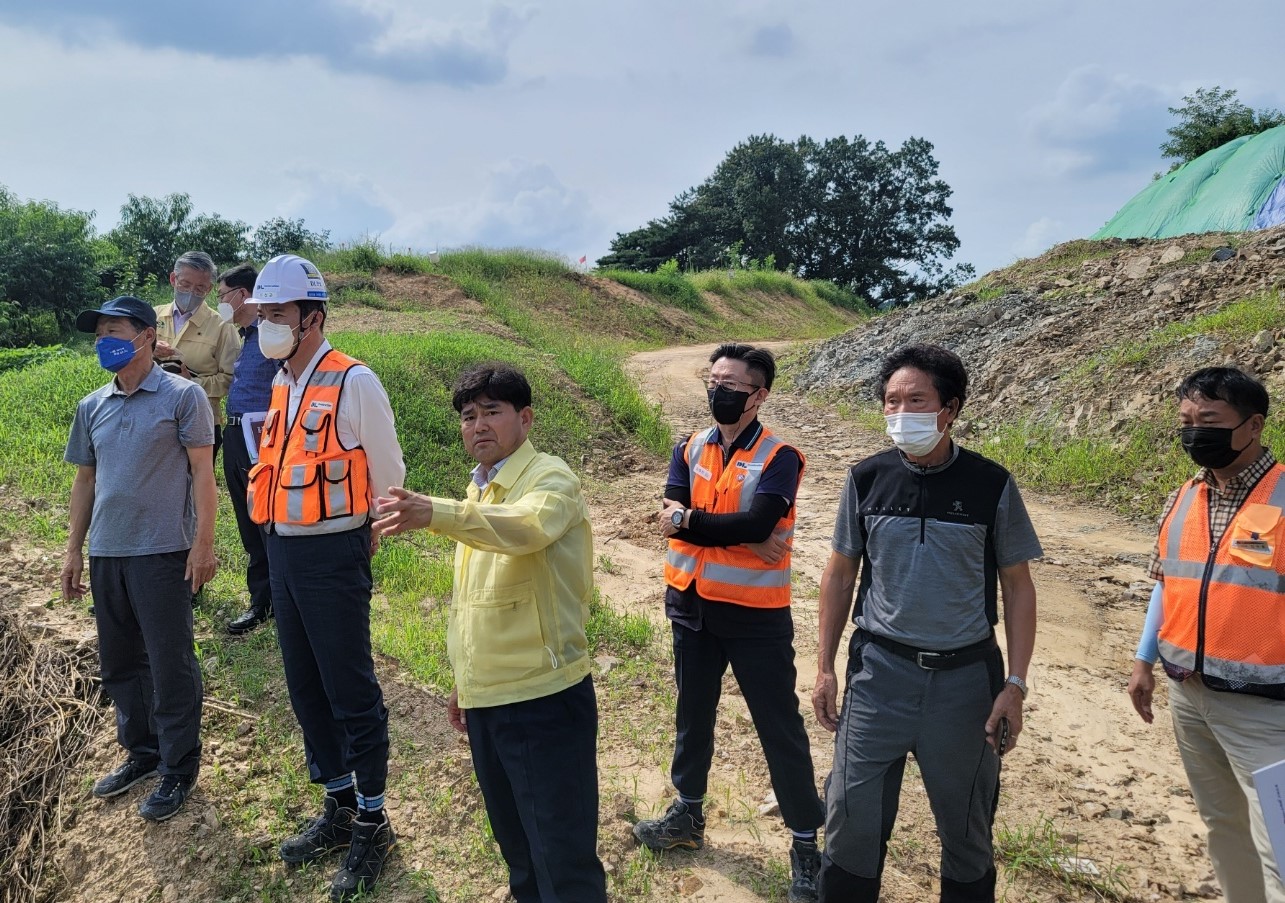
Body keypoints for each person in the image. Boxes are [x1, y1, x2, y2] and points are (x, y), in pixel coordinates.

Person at [372, 362, 608, 903]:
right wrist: (465, 680)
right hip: (488, 697)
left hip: (543, 697)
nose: (478, 425)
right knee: (518, 850)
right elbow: (475, 602)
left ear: (524, 419)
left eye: (492, 412)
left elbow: (526, 528)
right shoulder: (478, 493)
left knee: (562, 856)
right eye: (468, 416)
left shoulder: (550, 478)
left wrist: (436, 512)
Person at [813, 343, 1040, 903]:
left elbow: (1017, 586)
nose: (900, 412)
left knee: (965, 829)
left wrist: (1015, 683)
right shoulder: (865, 479)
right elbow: (840, 575)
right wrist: (822, 667)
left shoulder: (991, 485)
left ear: (950, 409)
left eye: (916, 400)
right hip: (878, 676)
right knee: (850, 819)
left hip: (965, 684)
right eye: (891, 401)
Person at [635, 342, 824, 903]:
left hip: (754, 615)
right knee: (692, 713)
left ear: (759, 394)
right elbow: (674, 517)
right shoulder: (689, 447)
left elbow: (761, 519)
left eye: (733, 384)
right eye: (713, 380)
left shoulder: (779, 456)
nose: (719, 390)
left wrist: (696, 521)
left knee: (778, 727)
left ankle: (806, 844)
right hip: (690, 604)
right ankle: (687, 814)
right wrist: (727, 529)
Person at [245, 254, 405, 902]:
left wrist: (361, 540)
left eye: (277, 315)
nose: (266, 326)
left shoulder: (353, 380)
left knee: (350, 687)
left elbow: (388, 471)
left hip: (333, 554)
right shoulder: (283, 381)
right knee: (305, 684)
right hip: (283, 551)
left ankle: (373, 817)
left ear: (312, 317)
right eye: (262, 316)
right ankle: (338, 802)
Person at [1127, 366, 1285, 903]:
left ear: (1253, 425)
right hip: (1189, 697)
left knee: (1280, 846)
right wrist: (1143, 660)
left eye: (1210, 420)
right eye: (1186, 421)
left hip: (1267, 711)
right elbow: (1169, 585)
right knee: (1223, 827)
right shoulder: (1185, 496)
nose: (1195, 433)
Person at [60, 295, 215, 822]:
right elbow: (85, 480)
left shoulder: (182, 397)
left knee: (169, 663)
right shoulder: (92, 406)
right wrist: (74, 550)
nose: (104, 338)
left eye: (115, 329)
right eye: (98, 330)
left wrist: (204, 544)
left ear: (147, 336)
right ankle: (142, 753)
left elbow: (202, 474)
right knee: (120, 662)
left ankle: (178, 766)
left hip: (162, 551)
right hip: (107, 552)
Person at [216, 262, 277, 635]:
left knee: (267, 519)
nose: (219, 302)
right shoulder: (245, 337)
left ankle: (276, 600)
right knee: (247, 520)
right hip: (237, 436)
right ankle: (262, 601)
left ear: (242, 295)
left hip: (264, 439)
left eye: (221, 295)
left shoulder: (271, 338)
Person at [153, 250, 240, 460]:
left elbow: (231, 380)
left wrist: (193, 382)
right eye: (185, 284)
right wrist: (148, 351)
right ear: (173, 279)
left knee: (197, 487)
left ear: (209, 289)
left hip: (200, 423)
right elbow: (129, 363)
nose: (191, 292)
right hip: (153, 418)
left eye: (200, 288)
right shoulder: (151, 316)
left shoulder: (222, 327)